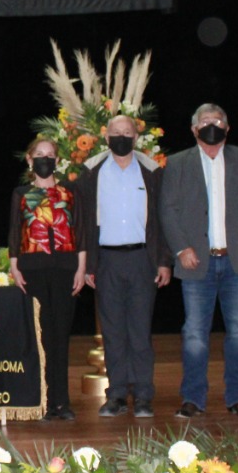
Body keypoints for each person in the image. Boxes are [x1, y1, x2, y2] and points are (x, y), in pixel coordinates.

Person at [159, 103, 238, 419]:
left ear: (227, 127)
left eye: (218, 121)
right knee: (194, 334)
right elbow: (168, 209)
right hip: (196, 263)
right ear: (194, 129)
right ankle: (193, 398)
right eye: (206, 121)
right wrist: (181, 249)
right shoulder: (177, 163)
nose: (212, 126)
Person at [74, 116, 172, 419]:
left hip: (142, 259)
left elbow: (163, 219)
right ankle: (116, 394)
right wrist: (88, 265)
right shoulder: (91, 171)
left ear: (136, 137)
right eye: (116, 133)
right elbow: (83, 221)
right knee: (113, 332)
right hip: (106, 261)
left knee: (140, 332)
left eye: (127, 132)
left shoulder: (152, 171)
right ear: (106, 137)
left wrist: (163, 261)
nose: (121, 137)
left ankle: (143, 395)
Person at [8, 136, 87, 421]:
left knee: (60, 335)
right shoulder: (21, 193)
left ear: (57, 160)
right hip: (32, 269)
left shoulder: (70, 191)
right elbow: (15, 231)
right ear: (30, 160)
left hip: (66, 268)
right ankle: (41, 401)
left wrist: (81, 269)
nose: (45, 159)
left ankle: (61, 402)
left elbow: (81, 231)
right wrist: (14, 266)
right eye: (39, 154)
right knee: (40, 335)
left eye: (50, 154)